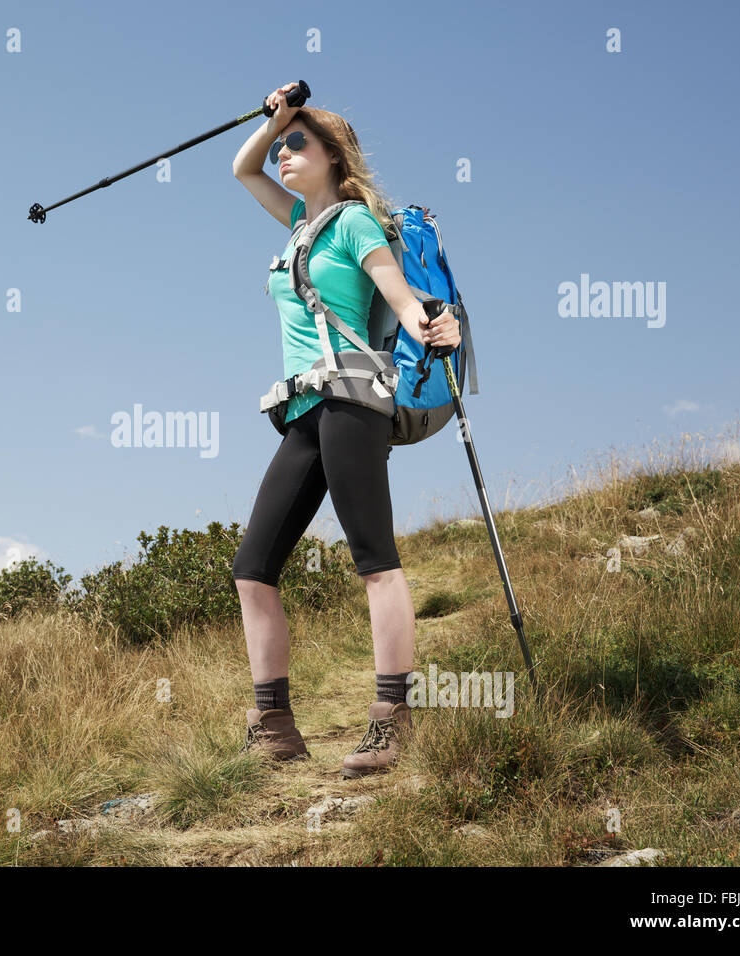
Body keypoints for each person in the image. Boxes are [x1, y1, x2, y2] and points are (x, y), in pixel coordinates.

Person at [230, 82, 462, 778]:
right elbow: (241, 169)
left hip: (353, 401)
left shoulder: (357, 223)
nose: (283, 154)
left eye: (300, 143)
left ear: (335, 156)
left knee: (374, 559)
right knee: (252, 568)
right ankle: (274, 728)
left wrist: (434, 320)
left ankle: (393, 723)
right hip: (303, 410)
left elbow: (400, 294)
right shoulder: (299, 226)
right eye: (282, 146)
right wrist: (276, 121)